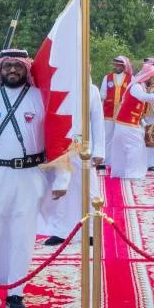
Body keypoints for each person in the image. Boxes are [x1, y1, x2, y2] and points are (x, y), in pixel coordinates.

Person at [0, 49, 70, 308]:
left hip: (29, 175)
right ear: (0, 69)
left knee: (21, 237)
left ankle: (15, 293)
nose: (12, 70)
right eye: (7, 65)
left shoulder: (40, 99)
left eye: (17, 66)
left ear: (26, 69)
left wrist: (61, 177)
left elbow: (59, 140)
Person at [38, 78, 105, 246]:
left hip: (83, 148)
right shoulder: (55, 86)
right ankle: (61, 231)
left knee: (89, 191)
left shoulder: (91, 90)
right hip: (59, 146)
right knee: (61, 189)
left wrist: (99, 151)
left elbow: (97, 121)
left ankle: (90, 232)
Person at [106, 62, 154, 180]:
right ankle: (133, 174)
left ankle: (121, 172)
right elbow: (145, 97)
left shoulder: (139, 87)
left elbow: (137, 110)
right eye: (153, 78)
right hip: (127, 125)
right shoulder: (136, 87)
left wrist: (144, 125)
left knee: (124, 149)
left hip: (128, 124)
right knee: (135, 149)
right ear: (147, 77)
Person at [101, 56, 132, 145]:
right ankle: (106, 159)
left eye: (118, 65)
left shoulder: (131, 78)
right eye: (115, 65)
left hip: (123, 114)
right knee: (107, 138)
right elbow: (102, 95)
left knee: (121, 140)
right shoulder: (107, 77)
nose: (116, 67)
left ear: (124, 67)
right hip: (108, 113)